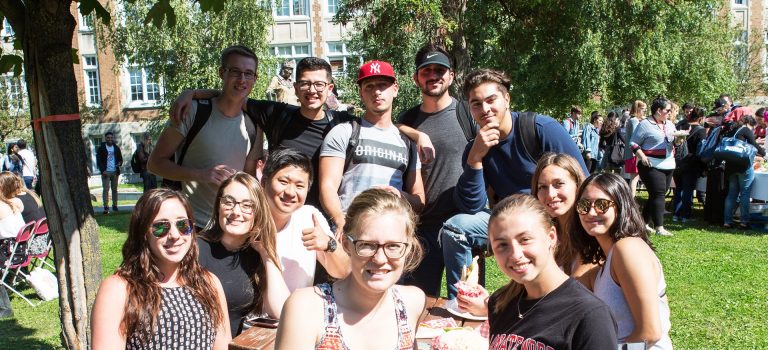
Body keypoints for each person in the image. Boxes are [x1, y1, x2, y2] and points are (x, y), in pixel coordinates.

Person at [170, 57, 360, 210]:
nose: (312, 90)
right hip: (280, 218)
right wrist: (192, 93)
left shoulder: (342, 123)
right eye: (305, 84)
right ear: (295, 87)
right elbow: (233, 96)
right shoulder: (277, 114)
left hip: (323, 220)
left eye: (319, 84)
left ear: (329, 88)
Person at [275, 188, 425, 349]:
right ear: (346, 245)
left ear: (408, 247)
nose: (380, 259)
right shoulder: (306, 309)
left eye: (393, 246)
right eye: (366, 245)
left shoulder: (413, 302)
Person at [396, 44, 489, 299]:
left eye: (440, 69)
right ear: (416, 78)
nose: (433, 75)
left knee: (466, 305)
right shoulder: (409, 119)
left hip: (462, 227)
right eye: (426, 70)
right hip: (422, 229)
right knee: (418, 305)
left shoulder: (467, 114)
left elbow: (488, 162)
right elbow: (387, 126)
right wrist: (416, 133)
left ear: (451, 75)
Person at [91, 188, 231, 349]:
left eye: (183, 225)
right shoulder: (119, 289)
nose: (174, 235)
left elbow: (223, 345)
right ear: (144, 233)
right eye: (161, 227)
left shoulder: (209, 283)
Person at [482, 194, 617, 349]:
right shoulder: (500, 303)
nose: (515, 254)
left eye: (525, 239)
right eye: (502, 245)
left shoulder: (590, 315)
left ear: (551, 237)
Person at [149, 45, 263, 228]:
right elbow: (155, 163)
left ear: (255, 79)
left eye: (249, 73)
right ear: (221, 73)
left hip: (232, 226)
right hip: (191, 225)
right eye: (235, 72)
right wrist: (201, 175)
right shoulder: (192, 111)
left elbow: (249, 180)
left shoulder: (254, 124)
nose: (242, 79)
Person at [454, 68, 587, 215]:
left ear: (507, 99)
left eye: (491, 100)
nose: (485, 109)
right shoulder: (476, 148)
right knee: (461, 224)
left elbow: (583, 182)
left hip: (553, 216)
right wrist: (475, 158)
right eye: (476, 104)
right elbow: (470, 207)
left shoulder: (543, 129)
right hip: (511, 221)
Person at [319, 60, 425, 236]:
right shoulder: (344, 133)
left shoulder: (408, 143)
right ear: (361, 93)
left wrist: (401, 196)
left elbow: (419, 200)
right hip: (351, 232)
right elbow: (327, 187)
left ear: (395, 89)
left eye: (383, 85)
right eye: (369, 86)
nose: (376, 91)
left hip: (391, 235)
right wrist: (340, 222)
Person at [572, 173, 673, 349]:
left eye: (602, 205)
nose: (590, 212)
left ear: (620, 206)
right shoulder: (609, 258)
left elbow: (650, 333)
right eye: (584, 205)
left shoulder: (628, 249)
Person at [198, 172, 288, 337]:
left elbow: (282, 311)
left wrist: (267, 255)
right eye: (228, 202)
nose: (236, 211)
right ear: (218, 206)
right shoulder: (196, 249)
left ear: (258, 211)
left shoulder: (258, 254)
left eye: (247, 205)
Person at [262, 147, 350, 292]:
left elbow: (344, 271)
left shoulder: (309, 217)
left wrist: (329, 245)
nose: (290, 192)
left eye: (299, 186)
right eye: (283, 181)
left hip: (295, 312)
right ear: (264, 182)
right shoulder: (246, 218)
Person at [530, 153, 595, 280]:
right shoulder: (543, 236)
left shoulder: (591, 233)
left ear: (578, 186)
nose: (550, 194)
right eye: (542, 187)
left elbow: (574, 291)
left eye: (558, 184)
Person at [630, 96, 682, 237]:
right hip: (650, 164)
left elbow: (673, 142)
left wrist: (678, 140)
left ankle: (642, 223)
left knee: (656, 194)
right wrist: (642, 157)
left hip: (668, 163)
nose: (670, 113)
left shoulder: (670, 124)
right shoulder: (645, 124)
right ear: (659, 111)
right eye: (668, 110)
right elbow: (633, 143)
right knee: (659, 193)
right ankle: (659, 227)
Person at [723, 115, 765, 229]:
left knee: (731, 194)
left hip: (730, 166)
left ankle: (727, 221)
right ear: (749, 124)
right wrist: (765, 154)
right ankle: (744, 221)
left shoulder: (732, 130)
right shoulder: (746, 129)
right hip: (743, 166)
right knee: (745, 194)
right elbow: (754, 145)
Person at [672, 107, 707, 223]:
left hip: (677, 162)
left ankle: (676, 215)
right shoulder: (701, 130)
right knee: (688, 190)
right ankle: (685, 215)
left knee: (679, 189)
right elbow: (700, 149)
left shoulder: (680, 126)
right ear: (701, 118)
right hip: (691, 163)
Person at [623, 100, 647, 198]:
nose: (644, 112)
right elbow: (637, 137)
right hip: (633, 153)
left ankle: (630, 199)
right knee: (634, 179)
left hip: (631, 153)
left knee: (634, 178)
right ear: (638, 109)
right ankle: (631, 200)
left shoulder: (632, 120)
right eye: (643, 110)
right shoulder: (634, 121)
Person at [96, 131, 123, 215]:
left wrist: (119, 163)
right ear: (105, 138)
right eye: (108, 138)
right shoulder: (101, 148)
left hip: (115, 171)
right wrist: (102, 170)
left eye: (111, 138)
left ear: (113, 138)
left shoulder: (116, 148)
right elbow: (99, 160)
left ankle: (115, 206)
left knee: (114, 190)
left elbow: (120, 159)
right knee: (106, 190)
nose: (110, 139)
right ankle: (106, 207)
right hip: (106, 172)